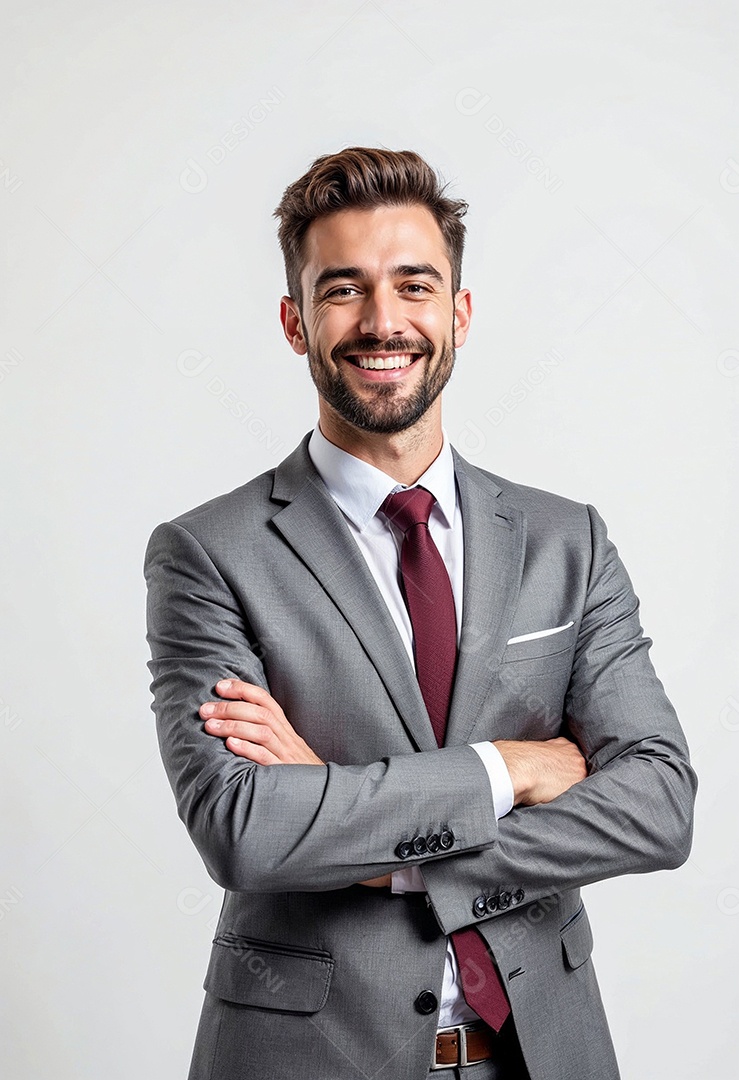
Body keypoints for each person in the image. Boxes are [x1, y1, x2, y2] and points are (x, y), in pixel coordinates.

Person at [144, 147, 697, 1080]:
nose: (382, 322)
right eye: (343, 291)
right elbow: (242, 828)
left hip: (545, 1052)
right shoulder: (208, 553)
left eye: (414, 285)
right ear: (293, 322)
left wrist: (378, 843)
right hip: (307, 1056)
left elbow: (656, 805)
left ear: (460, 313)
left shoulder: (568, 541)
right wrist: (506, 768)